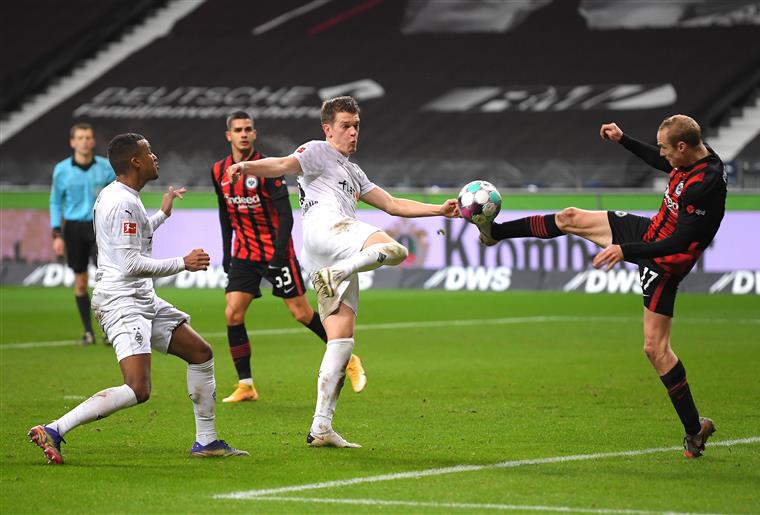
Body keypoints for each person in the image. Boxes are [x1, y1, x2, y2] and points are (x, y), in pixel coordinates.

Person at [472, 114, 725, 458]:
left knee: (655, 350)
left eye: (666, 148)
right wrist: (623, 139)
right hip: (650, 232)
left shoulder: (705, 184)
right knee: (570, 217)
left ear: (683, 146)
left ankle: (695, 431)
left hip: (665, 262)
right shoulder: (694, 154)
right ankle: (494, 233)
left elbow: (681, 241)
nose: (662, 154)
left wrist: (625, 250)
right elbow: (659, 161)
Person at [227, 96, 459, 447]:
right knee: (395, 250)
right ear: (328, 129)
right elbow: (284, 164)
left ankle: (321, 427)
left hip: (322, 253)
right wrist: (247, 168)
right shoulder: (318, 150)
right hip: (330, 230)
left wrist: (439, 210)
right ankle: (339, 273)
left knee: (340, 340)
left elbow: (394, 204)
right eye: (345, 126)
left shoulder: (353, 171)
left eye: (356, 126)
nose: (353, 133)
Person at [28, 133, 248, 464]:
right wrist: (182, 264)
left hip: (141, 298)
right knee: (138, 388)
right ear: (135, 161)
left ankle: (206, 441)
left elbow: (132, 239)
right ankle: (55, 429)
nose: (155, 156)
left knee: (201, 353)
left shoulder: (123, 197)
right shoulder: (121, 203)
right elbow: (130, 264)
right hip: (121, 301)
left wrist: (162, 215)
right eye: (149, 152)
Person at [212, 111, 367, 403]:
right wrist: (226, 251)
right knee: (232, 312)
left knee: (301, 312)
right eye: (238, 130)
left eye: (248, 129)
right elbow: (224, 213)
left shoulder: (266, 169)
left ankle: (348, 357)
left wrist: (278, 255)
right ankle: (246, 385)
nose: (244, 134)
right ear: (229, 135)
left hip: (276, 251)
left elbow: (285, 216)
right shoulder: (218, 170)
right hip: (244, 252)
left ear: (254, 134)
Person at [50, 123, 116, 345]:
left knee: (107, 280)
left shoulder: (106, 168)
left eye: (88, 137)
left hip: (100, 229)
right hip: (74, 229)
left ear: (93, 141)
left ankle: (109, 330)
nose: (85, 141)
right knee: (81, 281)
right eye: (80, 137)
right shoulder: (62, 170)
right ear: (72, 142)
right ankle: (88, 332)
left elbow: (115, 199)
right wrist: (56, 234)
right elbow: (55, 201)